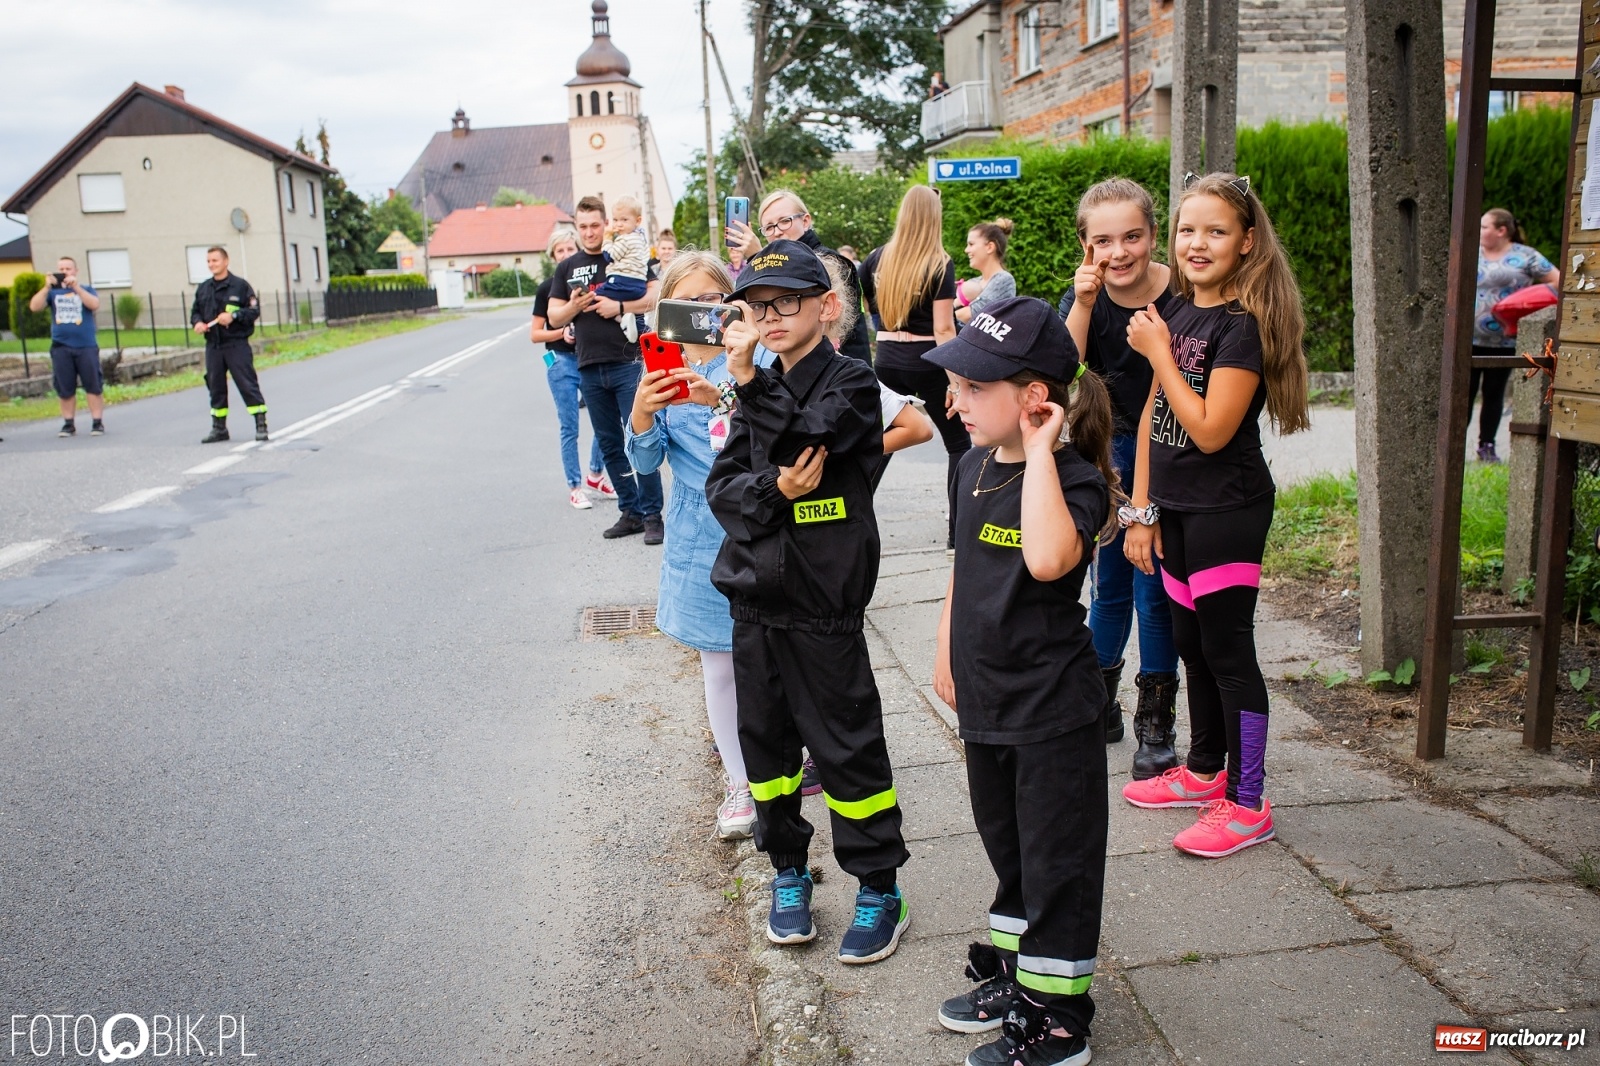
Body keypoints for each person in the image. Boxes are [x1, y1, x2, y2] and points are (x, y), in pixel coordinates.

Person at [705, 239, 911, 965]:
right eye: (757, 307)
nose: (768, 318)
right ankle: (788, 875)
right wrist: (774, 495)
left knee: (849, 754)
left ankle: (880, 888)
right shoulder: (756, 390)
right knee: (768, 757)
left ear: (826, 307)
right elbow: (725, 489)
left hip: (824, 610)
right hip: (754, 609)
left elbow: (805, 440)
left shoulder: (852, 383)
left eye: (784, 302)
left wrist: (750, 392)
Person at [929, 296, 1116, 1066]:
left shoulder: (1076, 480)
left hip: (1051, 713)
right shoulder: (970, 463)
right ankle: (1016, 974)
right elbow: (961, 569)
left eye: (976, 388)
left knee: (1056, 865)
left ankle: (1060, 1020)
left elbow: (1045, 561)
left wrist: (1041, 453)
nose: (957, 400)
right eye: (959, 384)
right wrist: (944, 651)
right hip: (988, 705)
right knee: (1009, 852)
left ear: (1034, 399)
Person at [1120, 172, 1311, 859]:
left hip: (1227, 510)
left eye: (1216, 231)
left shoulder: (1242, 329)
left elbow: (1207, 430)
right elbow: (1152, 416)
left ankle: (1248, 802)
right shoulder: (1175, 311)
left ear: (1247, 242)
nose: (1197, 243)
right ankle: (1205, 771)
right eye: (1187, 230)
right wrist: (1139, 513)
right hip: (1173, 512)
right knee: (1191, 647)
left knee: (1229, 654)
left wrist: (1160, 354)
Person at [625, 250, 758, 840]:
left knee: (776, 661)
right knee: (720, 668)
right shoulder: (662, 369)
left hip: (759, 531)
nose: (703, 314)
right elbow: (647, 465)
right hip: (698, 540)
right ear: (666, 311)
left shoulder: (752, 360)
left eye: (714, 301)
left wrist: (724, 390)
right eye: (688, 304)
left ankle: (790, 756)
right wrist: (641, 413)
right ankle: (739, 781)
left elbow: (768, 438)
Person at [1059, 179, 1181, 772]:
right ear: (1085, 245)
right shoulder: (1085, 297)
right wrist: (1082, 304)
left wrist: (1146, 499)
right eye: (1103, 240)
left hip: (1171, 451)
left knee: (1153, 590)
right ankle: (1098, 704)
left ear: (1153, 236)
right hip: (1107, 455)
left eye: (1132, 236)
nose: (1119, 252)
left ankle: (1155, 722)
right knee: (1108, 585)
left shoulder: (1181, 291)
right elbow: (1064, 371)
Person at [546, 195, 665, 543]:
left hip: (628, 363)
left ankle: (652, 515)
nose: (589, 232)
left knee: (640, 438)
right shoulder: (568, 266)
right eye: (583, 226)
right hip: (588, 367)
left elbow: (656, 295)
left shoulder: (627, 252)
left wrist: (620, 305)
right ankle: (630, 512)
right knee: (611, 445)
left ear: (606, 223)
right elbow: (554, 316)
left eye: (595, 225)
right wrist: (574, 306)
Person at [860, 185, 965, 545]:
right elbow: (943, 328)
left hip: (887, 360)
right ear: (934, 217)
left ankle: (851, 520)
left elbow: (869, 309)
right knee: (959, 445)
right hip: (929, 363)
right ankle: (958, 534)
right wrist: (957, 383)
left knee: (877, 442)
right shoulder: (940, 263)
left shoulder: (875, 259)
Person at [726, 188, 872, 364]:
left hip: (841, 364)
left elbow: (837, 328)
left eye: (785, 221)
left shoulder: (831, 261)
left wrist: (758, 258)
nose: (778, 231)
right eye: (769, 227)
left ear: (806, 221)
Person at [531, 227, 609, 509]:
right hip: (561, 363)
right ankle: (575, 486)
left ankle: (595, 473)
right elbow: (535, 334)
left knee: (605, 421)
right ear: (554, 256)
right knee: (570, 427)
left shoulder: (590, 283)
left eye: (569, 249)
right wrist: (560, 333)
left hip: (589, 358)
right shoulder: (547, 289)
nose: (565, 254)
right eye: (559, 250)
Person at [1473, 207, 1558, 463]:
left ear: (1501, 230)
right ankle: (1451, 444)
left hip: (1505, 340)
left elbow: (1558, 281)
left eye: (1484, 227)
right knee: (1460, 392)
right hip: (1468, 339)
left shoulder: (1525, 256)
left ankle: (1486, 446)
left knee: (1494, 392)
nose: (1479, 232)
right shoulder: (1469, 252)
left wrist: (1525, 302)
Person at [190, 247, 266, 443]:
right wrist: (198, 323)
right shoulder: (204, 288)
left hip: (236, 344)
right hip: (214, 345)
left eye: (215, 260)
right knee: (215, 386)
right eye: (208, 261)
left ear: (225, 261)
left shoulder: (240, 286)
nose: (211, 265)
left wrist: (233, 316)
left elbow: (253, 311)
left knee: (246, 383)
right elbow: (195, 312)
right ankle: (219, 428)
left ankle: (260, 424)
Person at [29, 256, 104, 437]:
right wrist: (47, 286)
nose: (64, 273)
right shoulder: (52, 293)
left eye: (68, 269)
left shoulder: (85, 289)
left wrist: (76, 287)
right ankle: (68, 423)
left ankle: (97, 422)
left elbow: (94, 304)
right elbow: (34, 306)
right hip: (61, 346)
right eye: (61, 269)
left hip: (85, 345)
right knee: (65, 387)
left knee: (93, 385)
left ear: (75, 271)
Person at [596, 195, 652, 342]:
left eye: (624, 220)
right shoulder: (641, 238)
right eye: (615, 220)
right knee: (636, 313)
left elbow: (610, 256)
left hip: (622, 282)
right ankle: (637, 326)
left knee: (594, 296)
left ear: (638, 221)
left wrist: (607, 239)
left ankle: (622, 319)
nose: (619, 224)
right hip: (639, 286)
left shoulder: (625, 238)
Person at [955, 219, 1017, 325]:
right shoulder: (974, 281)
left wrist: (941, 315)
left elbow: (975, 313)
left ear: (989, 247)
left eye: (971, 244)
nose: (966, 250)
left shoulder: (1004, 280)